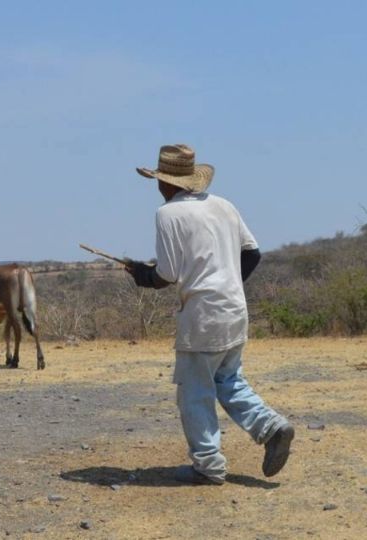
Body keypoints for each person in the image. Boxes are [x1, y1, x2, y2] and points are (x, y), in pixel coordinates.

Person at [126, 144, 294, 485]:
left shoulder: (167, 214)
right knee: (228, 380)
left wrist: (141, 275)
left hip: (202, 317)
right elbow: (253, 253)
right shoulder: (224, 205)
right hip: (234, 309)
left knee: (194, 391)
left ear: (164, 181)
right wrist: (227, 282)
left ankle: (208, 466)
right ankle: (272, 427)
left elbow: (168, 274)